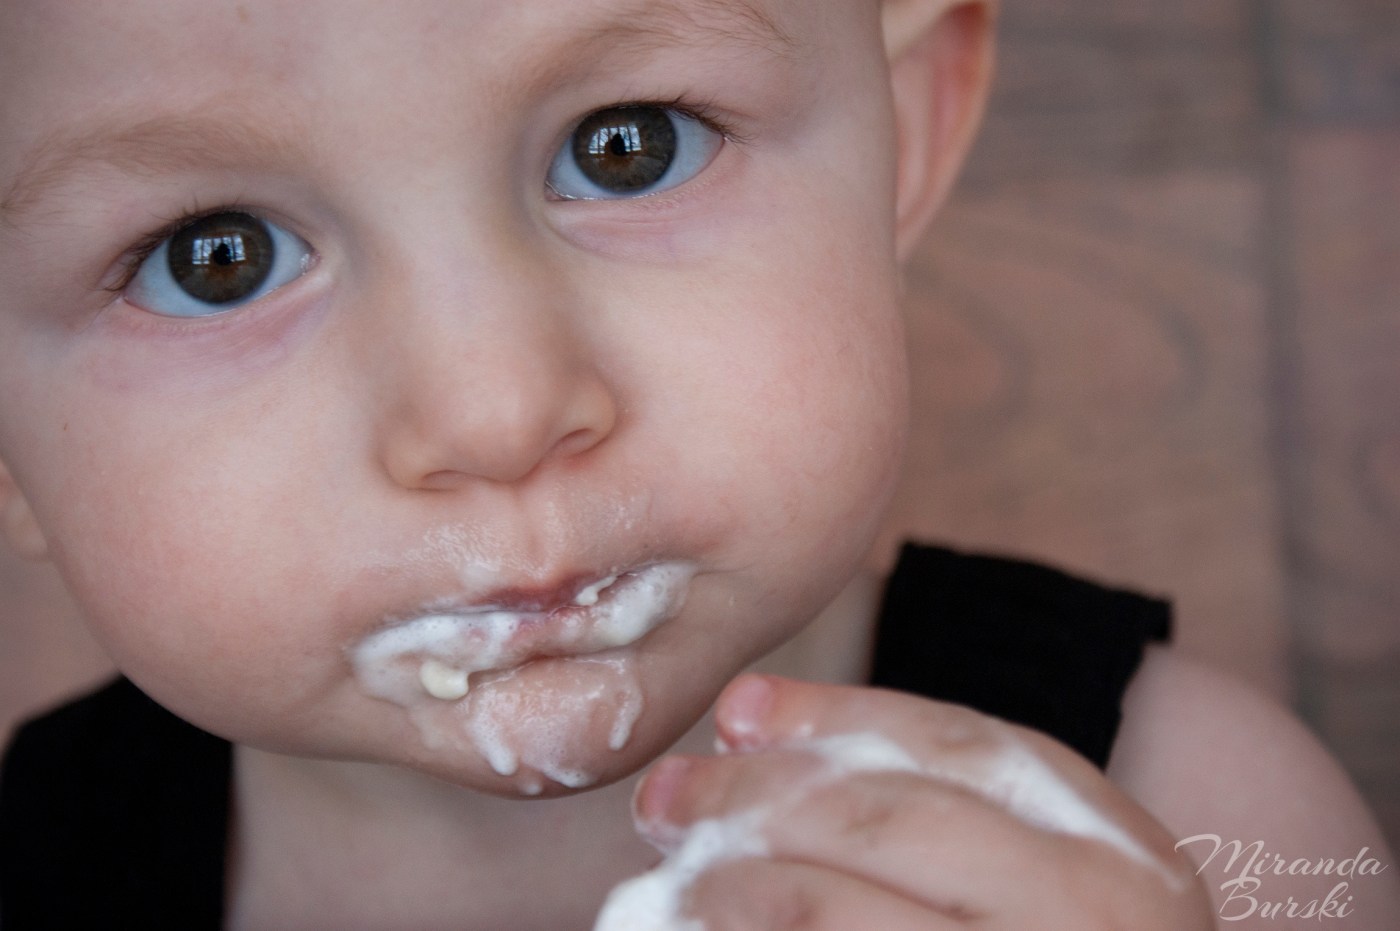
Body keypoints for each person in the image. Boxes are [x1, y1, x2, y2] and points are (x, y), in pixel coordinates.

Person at [0, 0, 1395, 927]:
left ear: (899, 141)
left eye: (627, 149)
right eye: (215, 258)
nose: (496, 413)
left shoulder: (1196, 824)